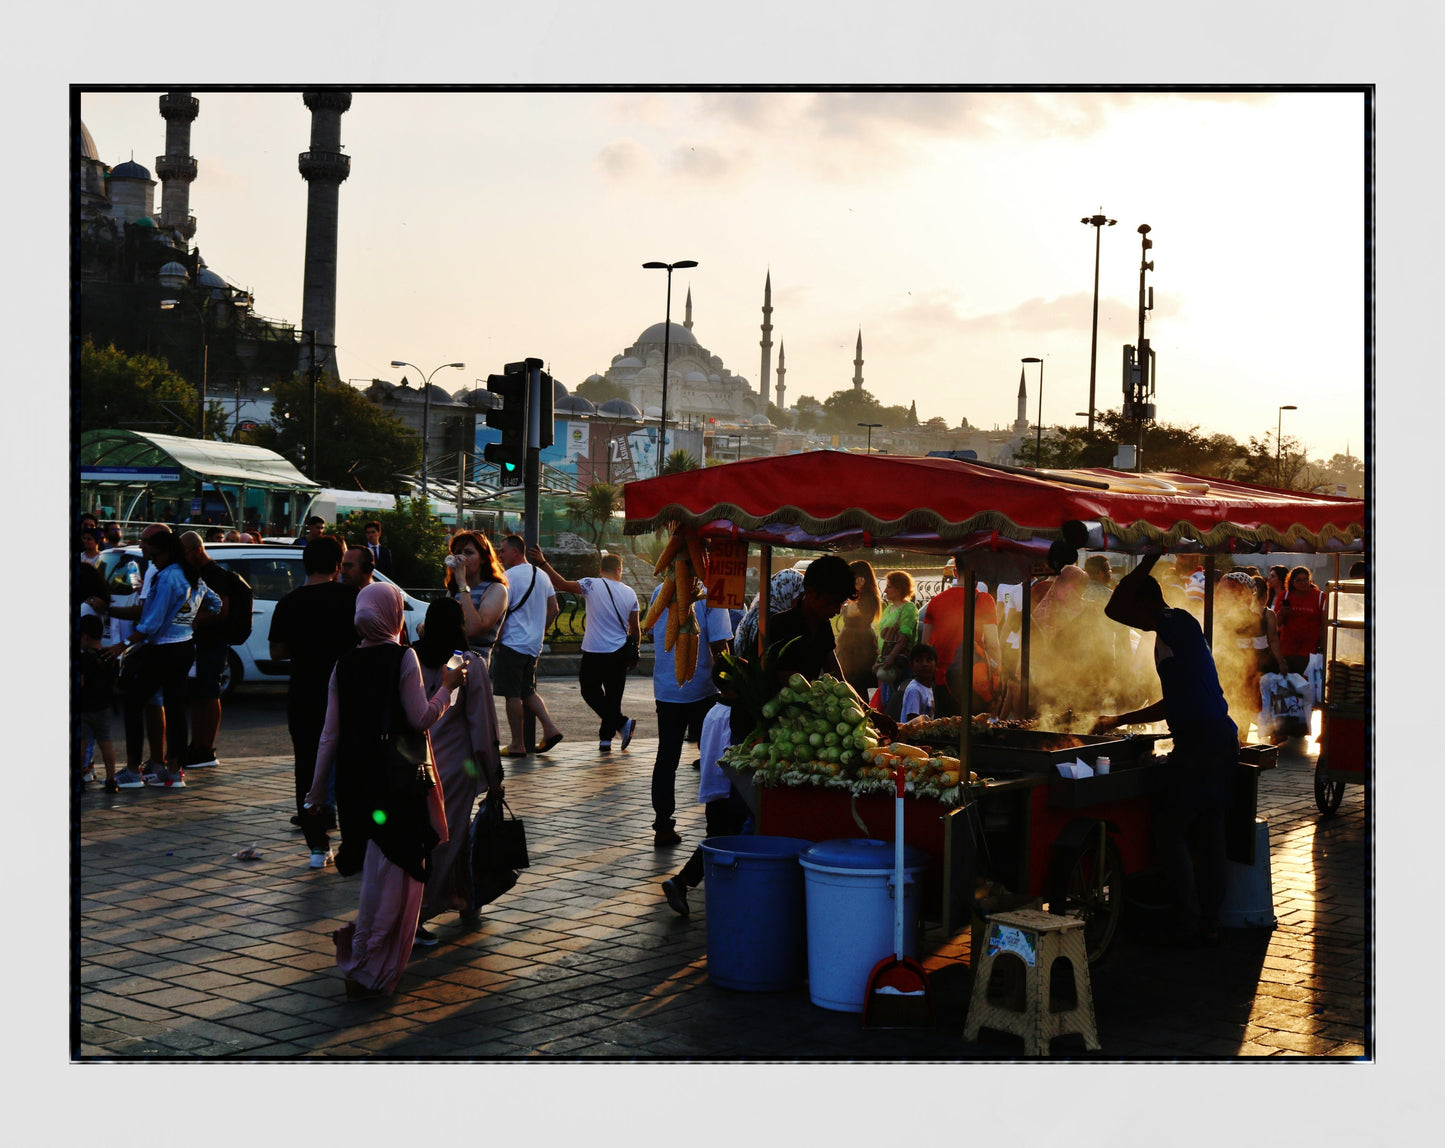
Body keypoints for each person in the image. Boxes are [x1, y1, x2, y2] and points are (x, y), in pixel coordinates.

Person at [303, 583, 463, 1000]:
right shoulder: (402, 656)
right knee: (397, 880)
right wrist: (448, 686)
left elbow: (329, 735)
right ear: (394, 614)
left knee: (378, 876)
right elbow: (421, 717)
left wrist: (316, 795)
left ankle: (365, 960)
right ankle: (367, 964)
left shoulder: (344, 663)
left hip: (359, 787)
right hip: (398, 785)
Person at [1093, 553, 1239, 947]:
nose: (1133, 621)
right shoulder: (1176, 630)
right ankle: (1207, 920)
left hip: (1203, 744)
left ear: (1145, 603)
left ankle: (1189, 917)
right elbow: (1172, 700)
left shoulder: (1173, 623)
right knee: (1209, 830)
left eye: (1136, 610)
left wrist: (1151, 555)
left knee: (1170, 827)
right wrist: (1118, 720)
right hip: (1214, 738)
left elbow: (1114, 607)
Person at [412, 597, 503, 943]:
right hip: (453, 768)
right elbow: (483, 728)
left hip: (413, 761)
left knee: (422, 838)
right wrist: (493, 777)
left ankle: (462, 897)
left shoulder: (410, 659)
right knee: (446, 841)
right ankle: (418, 911)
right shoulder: (466, 663)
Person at [104, 528, 219, 789]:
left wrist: (121, 646)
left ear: (162, 550)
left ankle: (134, 771)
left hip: (163, 649)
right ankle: (174, 771)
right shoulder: (191, 574)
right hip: (184, 646)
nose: (148, 555)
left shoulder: (168, 577)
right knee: (176, 707)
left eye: (150, 550)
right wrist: (188, 622)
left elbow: (151, 624)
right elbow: (215, 604)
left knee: (134, 703)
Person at [268, 536, 359, 867]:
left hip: (306, 693)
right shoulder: (354, 598)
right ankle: (353, 840)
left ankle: (317, 846)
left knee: (306, 767)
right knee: (350, 765)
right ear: (337, 565)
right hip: (348, 694)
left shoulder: (289, 602)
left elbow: (276, 652)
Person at [645, 567, 733, 847]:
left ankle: (663, 825)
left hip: (666, 689)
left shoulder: (662, 590)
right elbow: (720, 644)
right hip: (702, 690)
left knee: (666, 759)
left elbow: (650, 633)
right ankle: (718, 825)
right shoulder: (710, 593)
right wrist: (732, 680)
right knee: (716, 756)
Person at [529, 545, 640, 754]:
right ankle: (612, 733)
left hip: (593, 650)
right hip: (618, 652)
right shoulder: (630, 592)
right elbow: (635, 628)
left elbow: (561, 584)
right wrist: (636, 652)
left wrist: (543, 562)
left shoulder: (591, 584)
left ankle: (612, 733)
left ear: (601, 569)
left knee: (589, 691)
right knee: (613, 696)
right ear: (619, 570)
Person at [494, 534, 563, 757]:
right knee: (528, 691)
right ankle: (550, 729)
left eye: (503, 551)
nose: (500, 555)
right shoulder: (542, 576)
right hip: (533, 645)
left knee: (512, 694)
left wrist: (496, 640)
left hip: (512, 643)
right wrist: (540, 632)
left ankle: (517, 744)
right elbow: (554, 610)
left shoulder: (508, 577)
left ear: (516, 551)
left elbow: (501, 612)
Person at [179, 531, 236, 770]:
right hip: (198, 642)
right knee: (197, 694)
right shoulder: (198, 573)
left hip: (213, 642)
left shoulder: (215, 574)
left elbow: (221, 610)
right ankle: (197, 745)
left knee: (210, 693)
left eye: (184, 553)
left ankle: (207, 749)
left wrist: (190, 620)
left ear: (196, 550)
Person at [919, 558, 1001, 717]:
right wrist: (997, 679)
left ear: (955, 572)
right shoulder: (984, 600)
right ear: (977, 574)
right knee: (974, 729)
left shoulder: (935, 601)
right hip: (974, 680)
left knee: (945, 728)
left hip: (943, 680)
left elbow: (925, 645)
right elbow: (992, 644)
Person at [444, 531, 509, 659]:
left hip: (474, 665)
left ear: (483, 559)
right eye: (457, 552)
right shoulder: (454, 591)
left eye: (468, 553)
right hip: (449, 663)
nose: (461, 558)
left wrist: (462, 583)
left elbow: (474, 629)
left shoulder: (495, 589)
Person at [78, 614, 120, 793]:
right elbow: (115, 682)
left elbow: (81, 682)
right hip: (104, 706)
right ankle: (111, 779)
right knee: (106, 743)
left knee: (81, 743)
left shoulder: (84, 659)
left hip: (85, 706)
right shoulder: (110, 656)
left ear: (84, 636)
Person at [834, 560, 882, 698]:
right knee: (849, 683)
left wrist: (857, 591)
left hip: (860, 645)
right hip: (850, 642)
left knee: (857, 685)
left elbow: (852, 612)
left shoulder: (868, 596)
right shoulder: (858, 594)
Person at [874, 570, 919, 709]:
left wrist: (891, 658)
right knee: (886, 702)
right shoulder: (889, 609)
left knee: (895, 703)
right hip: (886, 661)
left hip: (898, 663)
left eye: (889, 586)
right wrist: (879, 660)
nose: (885, 590)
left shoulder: (908, 608)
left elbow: (904, 637)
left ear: (899, 589)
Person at [1276, 565, 1326, 675]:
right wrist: (1283, 613)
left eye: (1306, 579)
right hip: (1287, 649)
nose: (1303, 583)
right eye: (1299, 581)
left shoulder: (1320, 597)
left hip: (1310, 651)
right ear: (1292, 582)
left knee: (1307, 685)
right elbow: (1276, 624)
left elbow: (1324, 626)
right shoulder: (1285, 596)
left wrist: (1322, 648)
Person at [896, 643, 938, 722]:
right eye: (919, 660)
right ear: (911, 666)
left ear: (936, 664)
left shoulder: (930, 687)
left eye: (929, 660)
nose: (924, 664)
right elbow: (913, 722)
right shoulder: (915, 690)